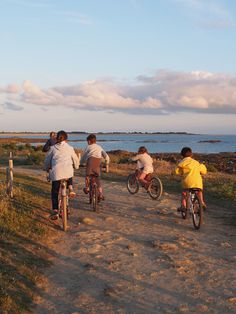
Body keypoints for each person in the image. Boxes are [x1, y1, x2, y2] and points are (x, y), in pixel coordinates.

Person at [44, 130, 80, 219]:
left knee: (55, 191)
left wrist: (46, 168)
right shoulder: (70, 148)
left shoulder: (53, 148)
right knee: (69, 171)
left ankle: (55, 210)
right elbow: (75, 160)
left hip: (56, 173)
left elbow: (47, 160)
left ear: (57, 139)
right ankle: (70, 188)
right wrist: (76, 166)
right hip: (68, 173)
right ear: (66, 139)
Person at [81, 134, 110, 201]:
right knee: (98, 179)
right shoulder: (99, 147)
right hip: (98, 163)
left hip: (90, 162)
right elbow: (106, 156)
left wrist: (81, 163)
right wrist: (107, 163)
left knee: (87, 176)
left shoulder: (88, 147)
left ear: (89, 141)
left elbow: (84, 157)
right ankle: (100, 193)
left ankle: (87, 188)